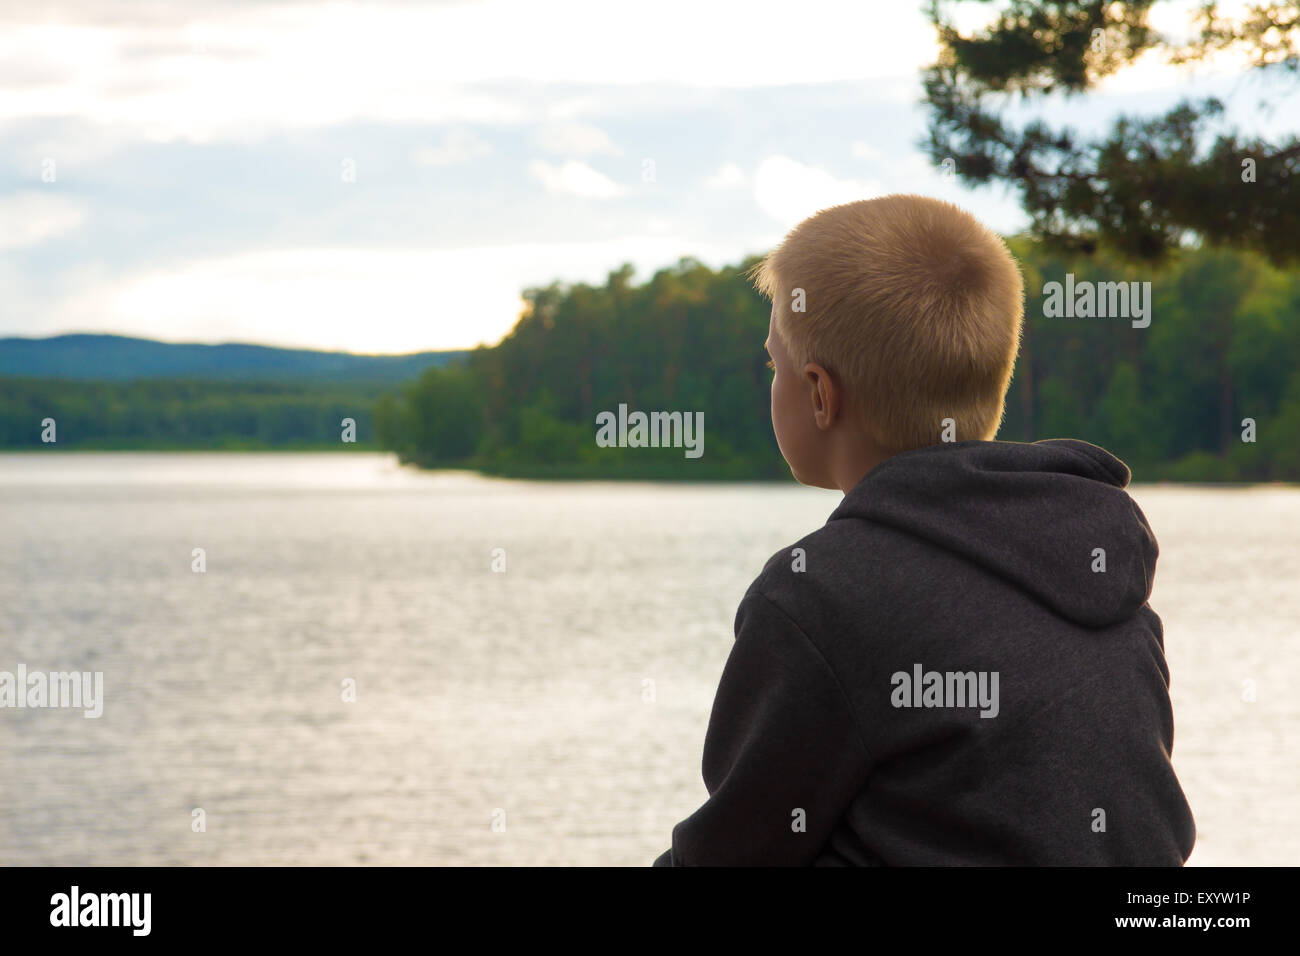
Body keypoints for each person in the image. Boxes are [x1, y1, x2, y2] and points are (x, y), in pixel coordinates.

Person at [653, 194, 1195, 865]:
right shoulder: (1106, 573)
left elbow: (730, 855)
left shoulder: (821, 598)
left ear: (821, 394)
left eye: (774, 365)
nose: (771, 380)